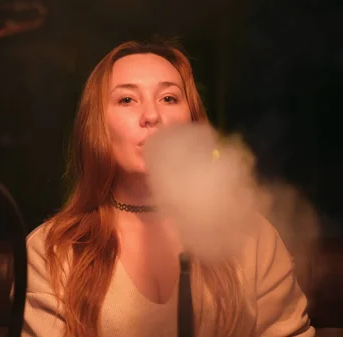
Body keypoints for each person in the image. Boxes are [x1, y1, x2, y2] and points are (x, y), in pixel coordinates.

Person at [22, 39, 314, 337]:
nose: (152, 116)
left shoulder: (252, 238)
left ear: (191, 121)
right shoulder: (52, 251)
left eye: (169, 99)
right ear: (97, 126)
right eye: (127, 100)